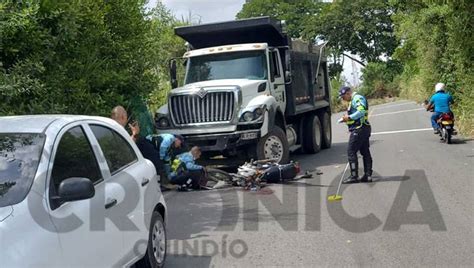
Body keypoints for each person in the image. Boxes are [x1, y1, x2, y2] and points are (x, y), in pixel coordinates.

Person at [338, 86, 373, 184]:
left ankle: (354, 176)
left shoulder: (357, 98)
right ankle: (368, 175)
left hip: (360, 129)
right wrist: (346, 120)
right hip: (363, 128)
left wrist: (348, 117)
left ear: (348, 93)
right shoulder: (353, 100)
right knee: (365, 151)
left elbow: (361, 111)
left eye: (343, 96)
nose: (342, 99)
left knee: (351, 151)